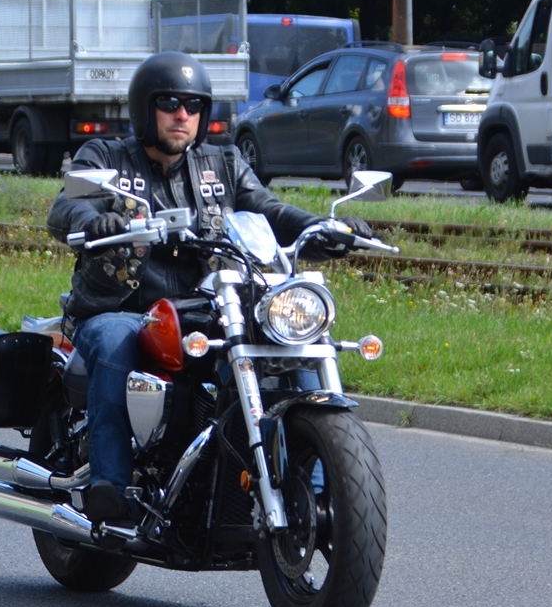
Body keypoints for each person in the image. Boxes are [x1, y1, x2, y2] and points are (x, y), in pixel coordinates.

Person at [47, 51, 375, 524]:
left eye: (194, 105)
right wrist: (95, 220)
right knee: (115, 339)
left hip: (206, 308)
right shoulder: (106, 158)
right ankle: (111, 488)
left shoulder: (222, 163)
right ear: (144, 109)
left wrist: (324, 228)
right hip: (124, 306)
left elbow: (268, 209)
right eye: (169, 103)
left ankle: (322, 491)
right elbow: (65, 207)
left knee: (289, 343)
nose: (182, 115)